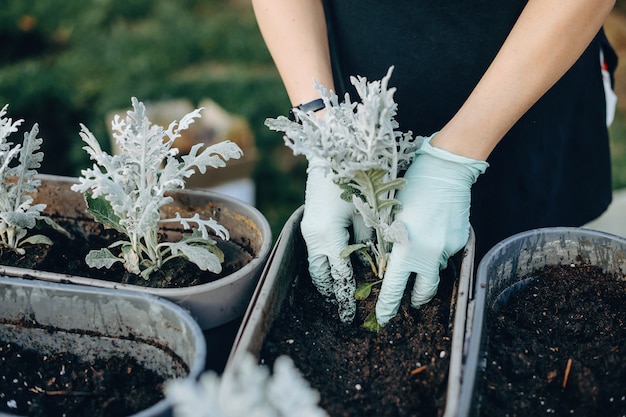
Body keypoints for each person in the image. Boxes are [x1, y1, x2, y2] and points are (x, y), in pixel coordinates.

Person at [251, 0, 618, 326]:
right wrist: (326, 128)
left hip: (532, 88)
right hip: (363, 97)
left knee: (534, 299)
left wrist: (455, 161)